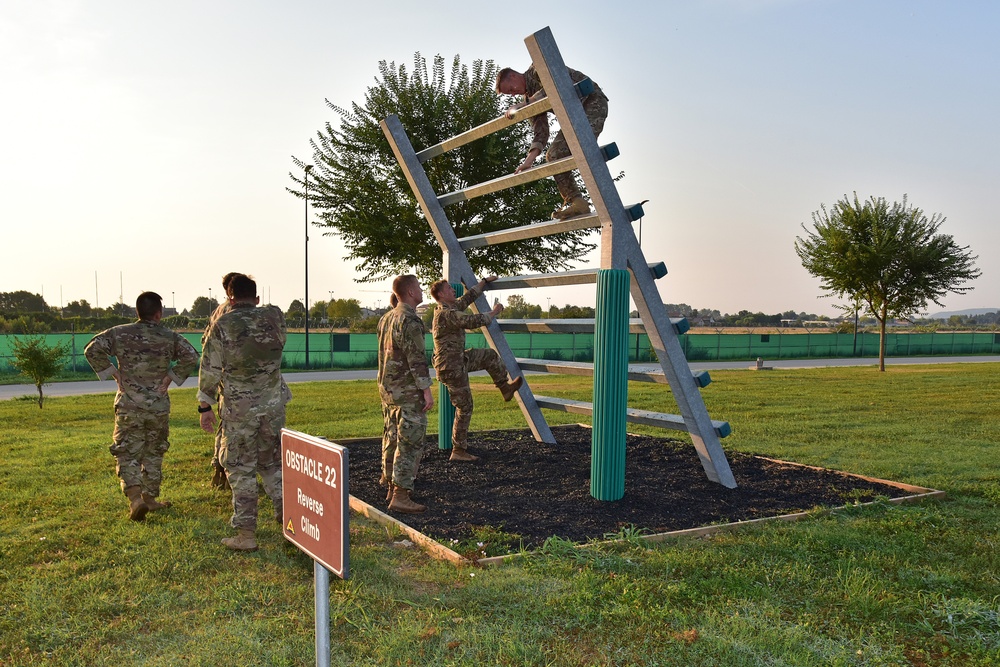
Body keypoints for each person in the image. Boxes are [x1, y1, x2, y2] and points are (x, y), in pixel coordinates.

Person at [84, 291, 199, 521]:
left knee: (127, 452)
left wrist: (114, 374)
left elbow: (92, 349)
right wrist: (170, 378)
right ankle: (149, 498)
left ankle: (136, 499)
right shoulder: (169, 336)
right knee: (154, 450)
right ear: (159, 313)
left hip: (129, 404)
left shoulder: (119, 333)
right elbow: (192, 356)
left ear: (137, 312)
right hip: (157, 404)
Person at [197, 274, 290, 551]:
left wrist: (205, 405)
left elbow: (210, 368)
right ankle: (289, 518)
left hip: (239, 410)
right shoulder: (274, 318)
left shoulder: (222, 324)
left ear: (229, 299)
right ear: (257, 297)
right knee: (273, 464)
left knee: (240, 469)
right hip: (273, 407)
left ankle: (246, 535)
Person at [496, 65, 609, 220]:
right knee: (554, 156)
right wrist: (528, 161)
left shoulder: (537, 67)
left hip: (591, 102)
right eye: (510, 94)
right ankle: (578, 202)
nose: (514, 94)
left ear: (514, 76)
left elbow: (556, 84)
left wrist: (528, 102)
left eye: (511, 90)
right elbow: (540, 133)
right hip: (573, 118)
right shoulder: (528, 100)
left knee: (582, 147)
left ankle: (606, 199)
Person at [429, 276, 523, 461]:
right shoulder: (445, 314)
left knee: (489, 356)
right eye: (449, 289)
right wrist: (494, 311)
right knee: (465, 407)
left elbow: (467, 298)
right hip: (451, 368)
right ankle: (458, 450)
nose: (452, 291)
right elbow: (473, 321)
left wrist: (483, 282)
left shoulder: (451, 308)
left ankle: (505, 389)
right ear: (440, 294)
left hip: (458, 360)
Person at [377, 275, 433, 513]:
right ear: (410, 292)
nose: (422, 291)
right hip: (408, 391)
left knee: (391, 438)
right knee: (410, 442)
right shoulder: (409, 320)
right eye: (419, 287)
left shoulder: (386, 318)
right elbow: (417, 360)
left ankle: (389, 482)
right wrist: (426, 391)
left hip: (388, 390)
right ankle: (400, 494)